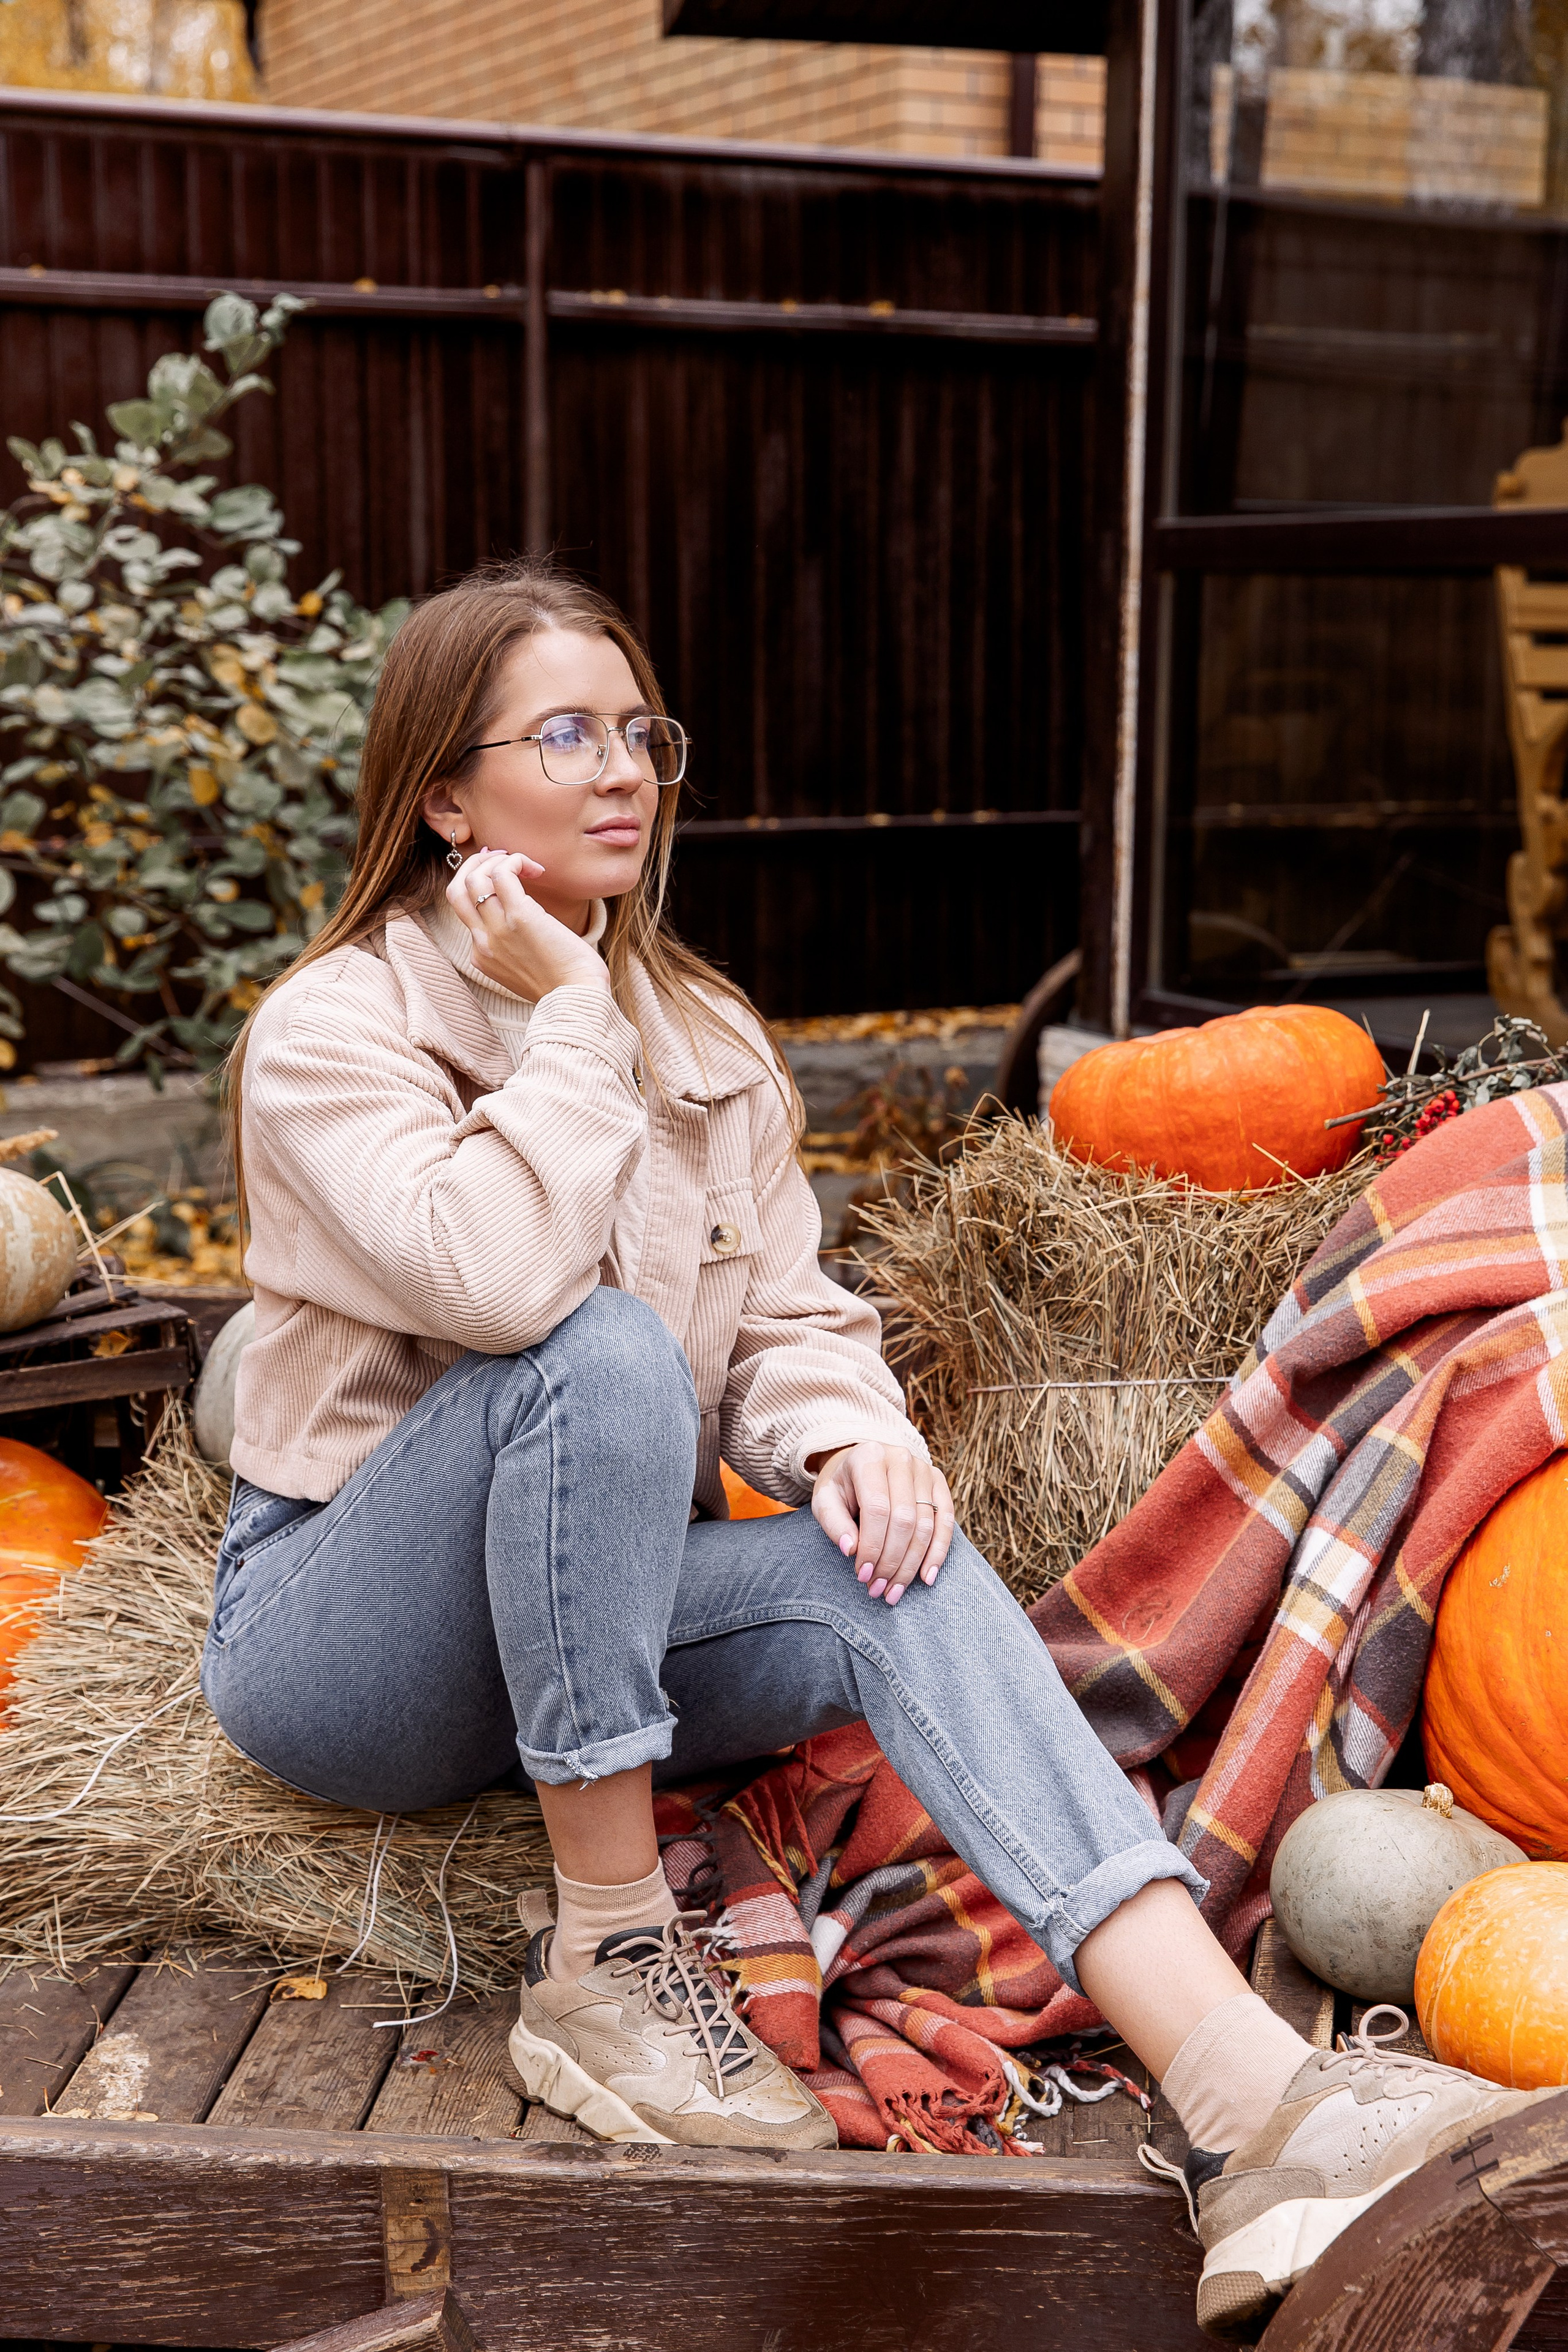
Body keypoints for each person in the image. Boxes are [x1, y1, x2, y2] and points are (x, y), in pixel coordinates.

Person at [203, 559, 1556, 2337]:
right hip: (349, 1647)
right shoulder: (335, 1031)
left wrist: (855, 1441)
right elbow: (505, 1284)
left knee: (881, 1563)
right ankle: (608, 1957)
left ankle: (1250, 2104)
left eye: (641, 732)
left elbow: (785, 1323)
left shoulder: (707, 1037)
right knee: (597, 1347)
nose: (624, 772)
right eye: (564, 735)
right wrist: (569, 1030)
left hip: (595, 1611)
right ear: (446, 793)